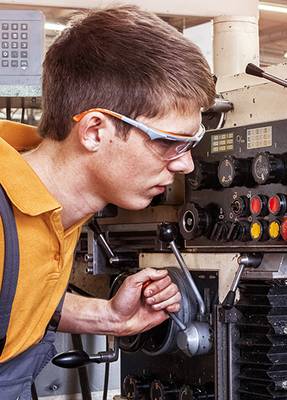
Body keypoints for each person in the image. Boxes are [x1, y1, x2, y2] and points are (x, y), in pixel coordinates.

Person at [0, 5, 215, 399]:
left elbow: (16, 299)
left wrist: (109, 317)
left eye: (191, 143)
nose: (185, 164)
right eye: (168, 142)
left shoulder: (51, 205)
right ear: (95, 131)